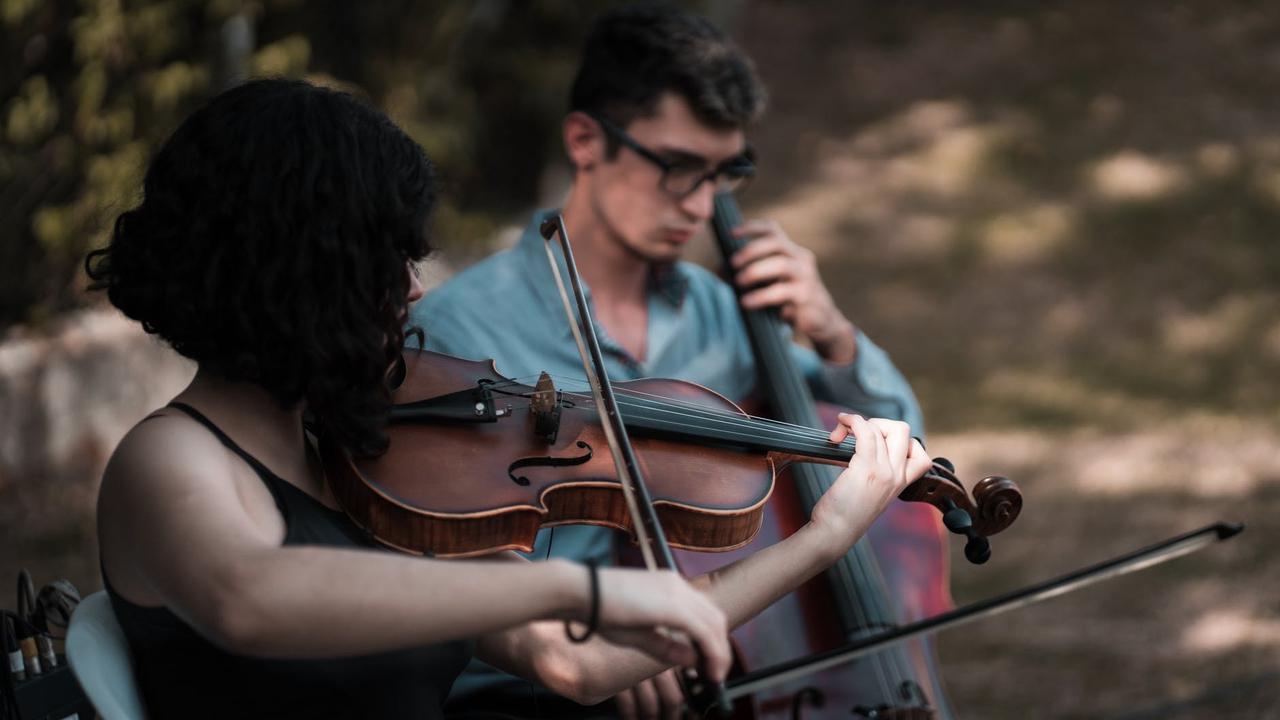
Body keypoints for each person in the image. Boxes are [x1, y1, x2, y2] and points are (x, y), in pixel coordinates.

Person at [87, 78, 930, 719]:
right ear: (301, 276)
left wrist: (822, 538)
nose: (412, 293)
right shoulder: (169, 459)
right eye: (388, 263)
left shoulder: (377, 458)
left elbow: (581, 661)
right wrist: (572, 588)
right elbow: (250, 598)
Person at [412, 4, 933, 719]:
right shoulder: (456, 329)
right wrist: (597, 628)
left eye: (724, 173)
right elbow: (431, 558)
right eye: (679, 167)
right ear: (586, 140)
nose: (701, 203)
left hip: (720, 665)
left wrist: (834, 335)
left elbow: (897, 453)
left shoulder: (725, 314)